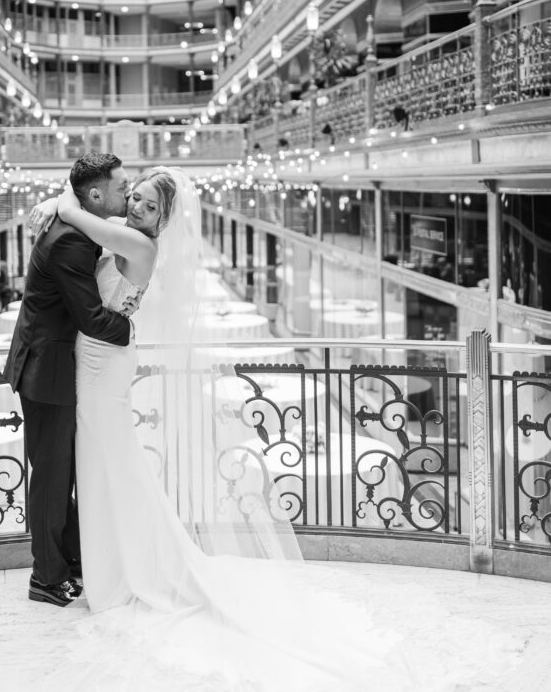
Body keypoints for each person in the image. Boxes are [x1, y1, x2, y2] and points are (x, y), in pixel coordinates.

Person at [29, 167, 524, 692]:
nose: (137, 208)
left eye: (150, 206)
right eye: (136, 198)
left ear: (164, 218)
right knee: (108, 465)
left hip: (104, 366)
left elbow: (79, 214)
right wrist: (59, 202)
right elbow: (86, 220)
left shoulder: (138, 243)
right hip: (97, 361)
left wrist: (57, 202)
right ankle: (115, 561)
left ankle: (120, 570)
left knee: (109, 463)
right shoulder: (127, 233)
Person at [3, 151, 133, 607]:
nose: (128, 193)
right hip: (47, 369)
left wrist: (60, 198)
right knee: (52, 478)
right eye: (121, 187)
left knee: (64, 473)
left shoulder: (78, 221)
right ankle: (46, 577)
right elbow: (92, 318)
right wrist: (132, 328)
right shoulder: (70, 241)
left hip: (55, 363)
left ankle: (71, 558)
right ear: (95, 195)